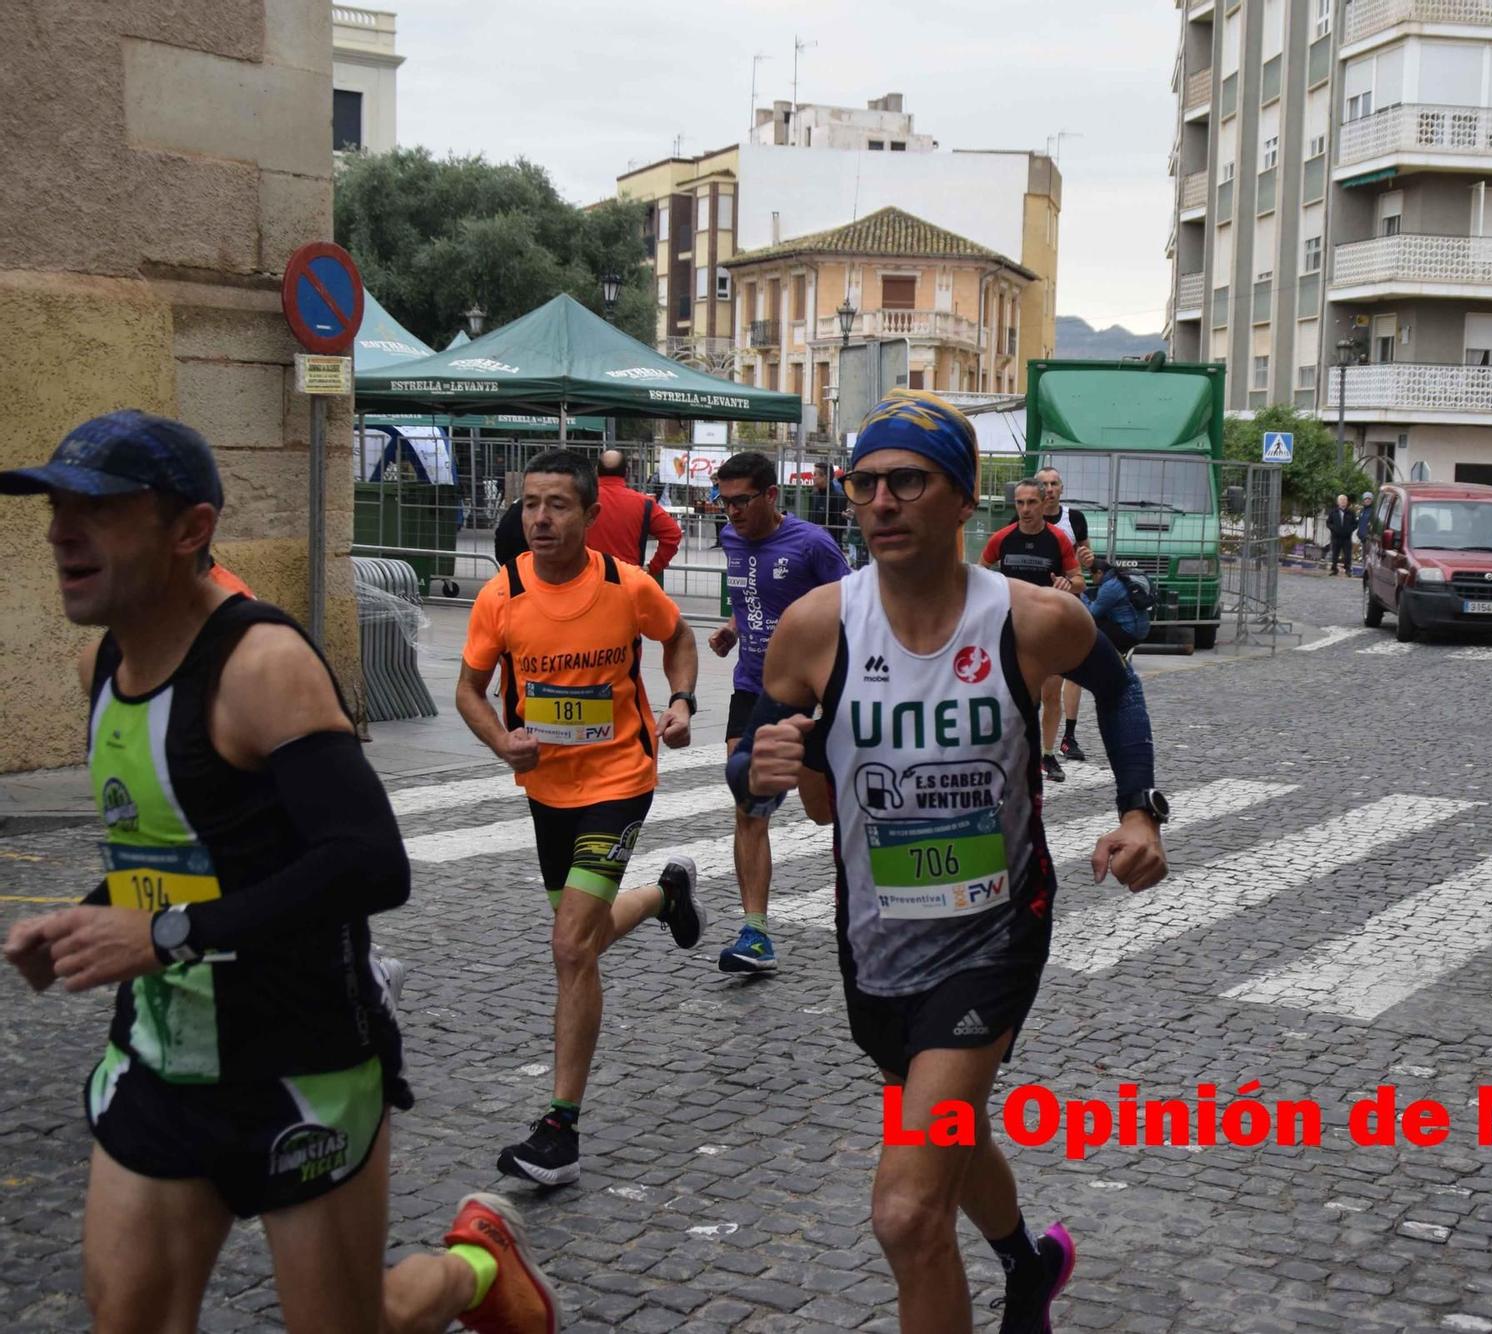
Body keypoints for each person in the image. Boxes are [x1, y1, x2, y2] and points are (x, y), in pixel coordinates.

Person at [0, 411, 558, 1334]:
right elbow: (183, 853)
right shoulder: (101, 660)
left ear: (191, 530)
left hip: (301, 1069)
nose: (62, 531)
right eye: (55, 507)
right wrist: (88, 917)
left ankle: (469, 1269)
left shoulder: (262, 666)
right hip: (159, 1063)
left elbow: (369, 866)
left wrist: (166, 934)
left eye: (98, 509)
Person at [728, 387, 1170, 1334]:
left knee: (904, 1210)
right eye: (866, 482)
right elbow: (771, 747)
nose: (881, 501)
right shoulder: (817, 625)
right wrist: (759, 761)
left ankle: (1012, 1267)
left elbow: (1120, 691)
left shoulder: (1027, 618)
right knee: (948, 1130)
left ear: (965, 498)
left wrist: (1140, 812)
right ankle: (1028, 1261)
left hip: (997, 930)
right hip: (877, 941)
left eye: (909, 482)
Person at [456, 447, 707, 1185]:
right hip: (546, 791)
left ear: (591, 515)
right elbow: (470, 691)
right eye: (530, 504)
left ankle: (559, 1129)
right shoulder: (500, 595)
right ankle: (666, 895)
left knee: (569, 947)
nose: (539, 518)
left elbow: (680, 639)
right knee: (586, 938)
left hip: (620, 780)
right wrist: (502, 741)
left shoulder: (626, 587)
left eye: (557, 504)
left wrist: (683, 701)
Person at [707, 449, 849, 974]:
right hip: (753, 690)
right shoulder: (729, 539)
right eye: (723, 503)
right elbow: (752, 601)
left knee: (823, 811)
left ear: (770, 495)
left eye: (741, 501)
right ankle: (756, 933)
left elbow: (850, 608)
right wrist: (734, 627)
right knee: (748, 802)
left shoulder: (813, 545)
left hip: (813, 694)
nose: (732, 513)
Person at [980, 478, 1083, 783]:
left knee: (1051, 695)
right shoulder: (1002, 538)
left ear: (1044, 503)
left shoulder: (1058, 540)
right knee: (1016, 696)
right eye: (1020, 503)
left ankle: (1048, 755)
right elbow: (979, 572)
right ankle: (1012, 754)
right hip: (1013, 629)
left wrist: (1067, 583)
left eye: (1032, 503)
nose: (1025, 509)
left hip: (1050, 630)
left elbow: (1079, 581)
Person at [1038, 467, 1095, 764]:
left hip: (1069, 604)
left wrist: (1089, 561)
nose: (1049, 489)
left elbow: (1087, 559)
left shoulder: (1073, 519)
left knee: (1072, 673)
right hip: (1036, 609)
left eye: (1053, 483)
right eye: (1043, 484)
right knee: (1043, 682)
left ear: (1061, 488)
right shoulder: (1026, 520)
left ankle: (1068, 737)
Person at [585, 448, 684, 575]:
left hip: (587, 579)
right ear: (626, 472)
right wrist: (653, 567)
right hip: (627, 581)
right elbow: (673, 534)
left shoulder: (581, 500)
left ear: (596, 470)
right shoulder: (644, 503)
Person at [1085, 555, 1152, 654]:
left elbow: (1093, 613)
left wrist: (1083, 599)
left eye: (1091, 576)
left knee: (1089, 627)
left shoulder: (1110, 586)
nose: (1091, 579)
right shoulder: (1120, 578)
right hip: (1141, 628)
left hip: (1129, 632)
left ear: (1099, 572)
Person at [1326, 494, 1359, 577]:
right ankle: (1334, 569)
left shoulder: (1351, 513)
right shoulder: (1333, 512)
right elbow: (1328, 523)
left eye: (1344, 500)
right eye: (1341, 500)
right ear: (1338, 502)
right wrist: (1334, 529)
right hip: (1336, 537)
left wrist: (1349, 530)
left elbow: (1355, 524)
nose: (1343, 502)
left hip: (1346, 537)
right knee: (1335, 554)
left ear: (1347, 502)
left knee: (1347, 555)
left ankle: (1348, 570)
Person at [1355, 491, 1377, 565]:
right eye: (1365, 499)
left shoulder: (1373, 511)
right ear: (1363, 500)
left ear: (1372, 500)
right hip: (1362, 538)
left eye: (1369, 499)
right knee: (1363, 556)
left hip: (1369, 538)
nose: (1367, 500)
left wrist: (1368, 535)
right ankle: (1364, 571)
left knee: (1368, 557)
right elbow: (1360, 523)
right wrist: (1359, 532)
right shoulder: (1362, 511)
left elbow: (1373, 525)